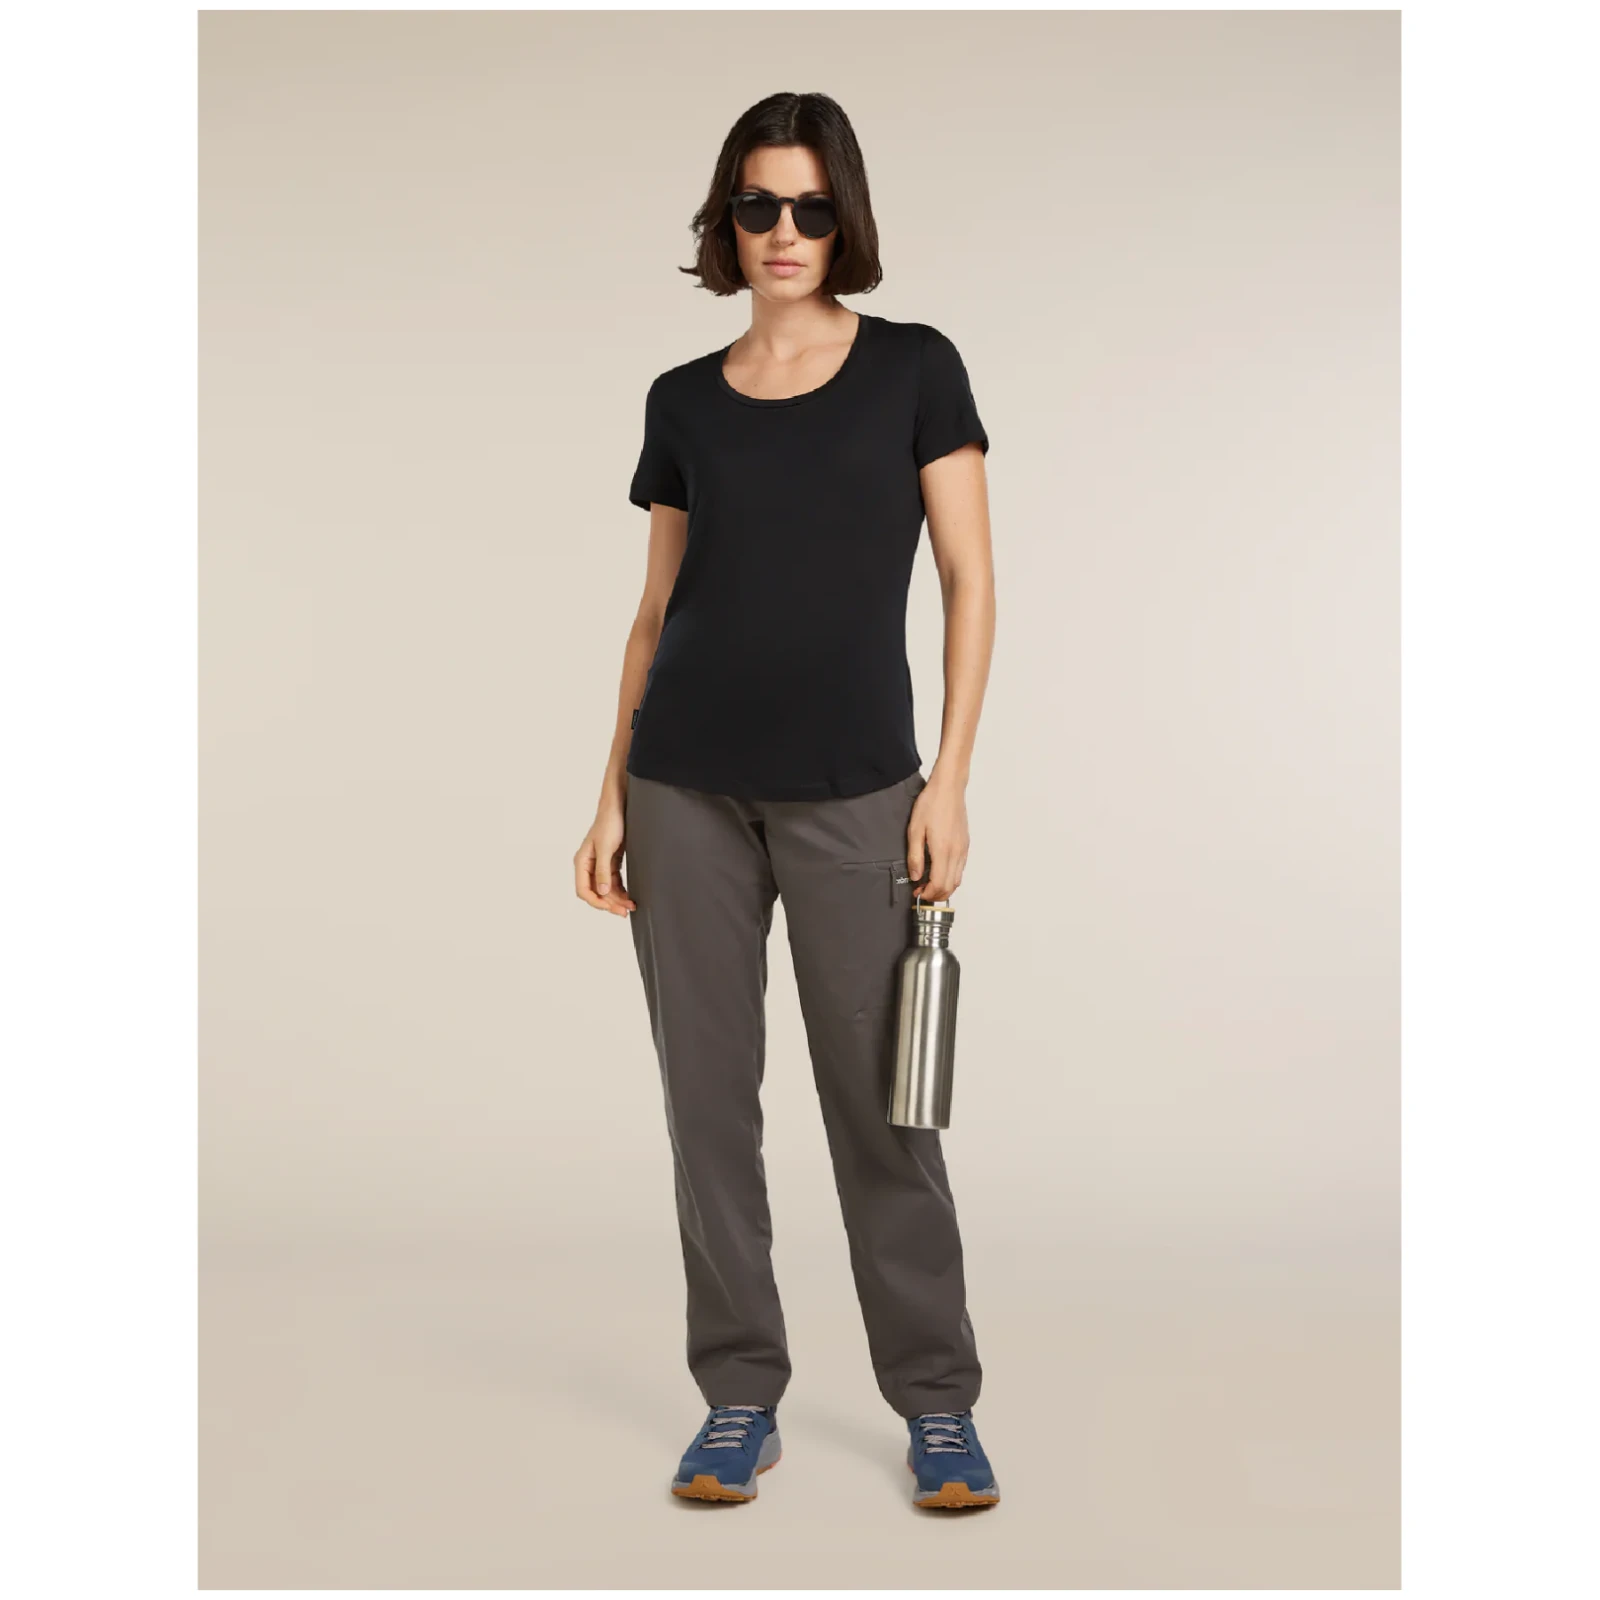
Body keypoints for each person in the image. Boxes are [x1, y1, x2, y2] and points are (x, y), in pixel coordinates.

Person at [574, 91, 998, 1511]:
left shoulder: (915, 368)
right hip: (682, 787)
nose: (784, 231)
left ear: (845, 219)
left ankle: (937, 1403)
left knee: (885, 1115)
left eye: (812, 206)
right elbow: (655, 614)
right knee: (708, 1109)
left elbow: (970, 580)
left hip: (857, 792)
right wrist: (610, 795)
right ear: (727, 220)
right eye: (758, 205)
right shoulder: (683, 400)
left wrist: (949, 779)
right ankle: (739, 1394)